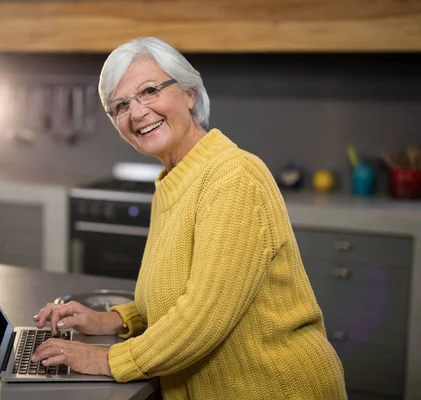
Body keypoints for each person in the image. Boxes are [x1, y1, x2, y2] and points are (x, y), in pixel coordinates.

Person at [32, 36, 347, 399]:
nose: (136, 113)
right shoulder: (174, 181)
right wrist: (110, 320)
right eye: (120, 106)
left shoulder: (234, 177)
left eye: (149, 90)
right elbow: (177, 295)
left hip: (275, 387)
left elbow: (202, 319)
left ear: (189, 94)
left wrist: (107, 360)